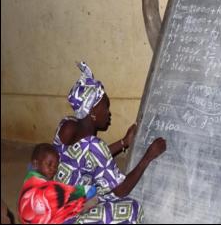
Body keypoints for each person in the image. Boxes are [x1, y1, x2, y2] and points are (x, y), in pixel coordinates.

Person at [53, 61, 166, 224]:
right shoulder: (94, 146)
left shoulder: (66, 126)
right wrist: (148, 156)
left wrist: (124, 142)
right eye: (105, 107)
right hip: (68, 217)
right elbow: (122, 190)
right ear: (92, 113)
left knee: (102, 188)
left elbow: (89, 157)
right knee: (132, 209)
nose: (109, 113)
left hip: (52, 203)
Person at [18, 143, 96, 224]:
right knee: (89, 203)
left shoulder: (29, 178)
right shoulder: (50, 188)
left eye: (55, 166)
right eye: (49, 164)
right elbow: (76, 193)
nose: (53, 169)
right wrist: (91, 189)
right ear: (35, 164)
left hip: (26, 218)